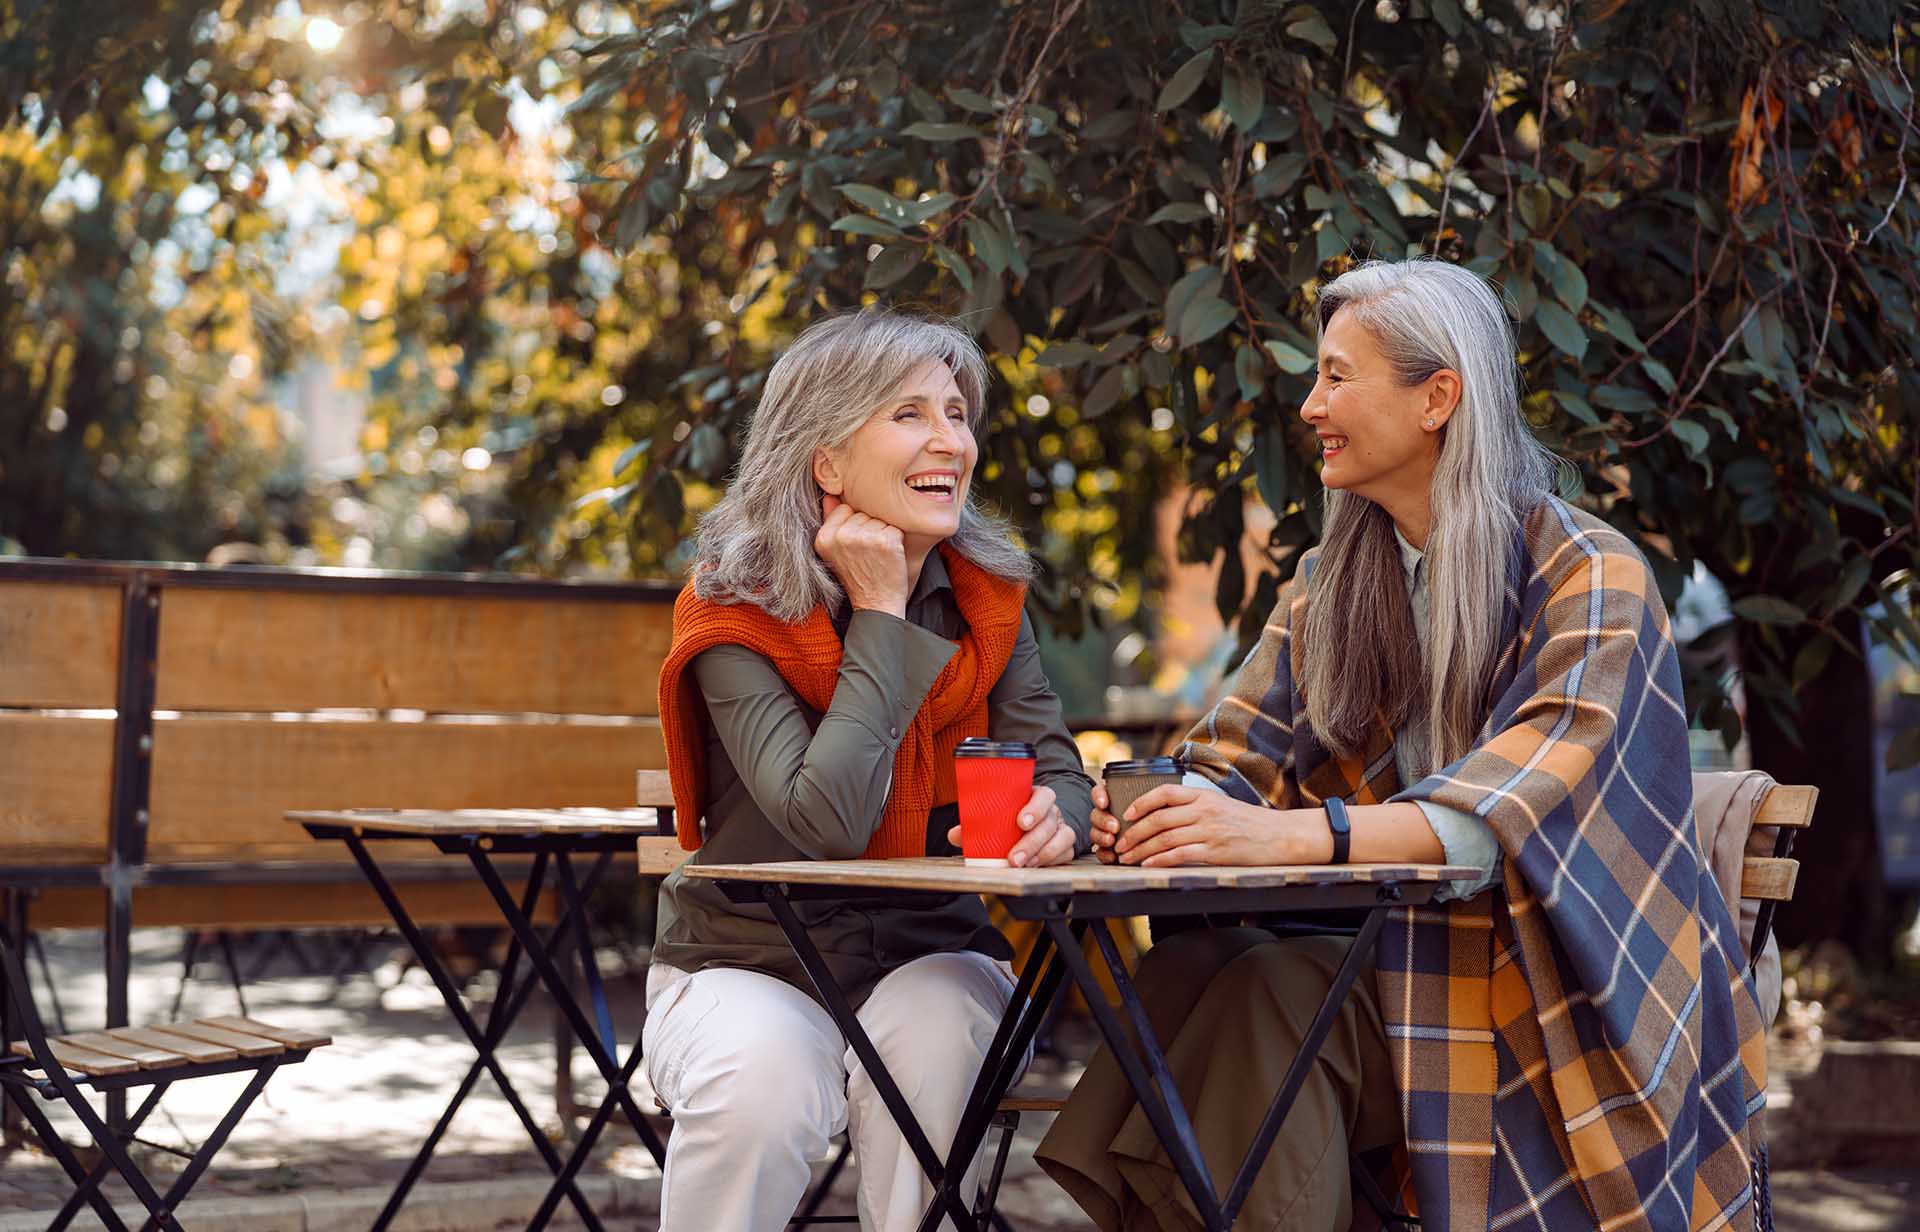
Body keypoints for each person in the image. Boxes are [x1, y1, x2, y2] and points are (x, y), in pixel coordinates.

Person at [1037, 259, 1767, 1231]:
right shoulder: (1331, 587)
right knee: (1187, 972)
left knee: (1267, 999)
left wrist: (1279, 840)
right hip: (1391, 962)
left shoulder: (1593, 577)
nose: (1309, 406)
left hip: (1562, 993)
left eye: (1337, 375)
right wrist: (1160, 805)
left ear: (1437, 397)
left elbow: (1507, 815)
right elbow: (1229, 759)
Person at [648, 308, 1094, 1231]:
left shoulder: (989, 604)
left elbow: (1062, 773)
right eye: (908, 414)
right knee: (756, 1081)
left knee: (939, 1049)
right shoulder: (734, 608)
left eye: (957, 413)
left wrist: (1063, 819)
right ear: (827, 464)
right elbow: (829, 820)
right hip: (745, 957)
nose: (950, 442)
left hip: (932, 948)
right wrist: (882, 612)